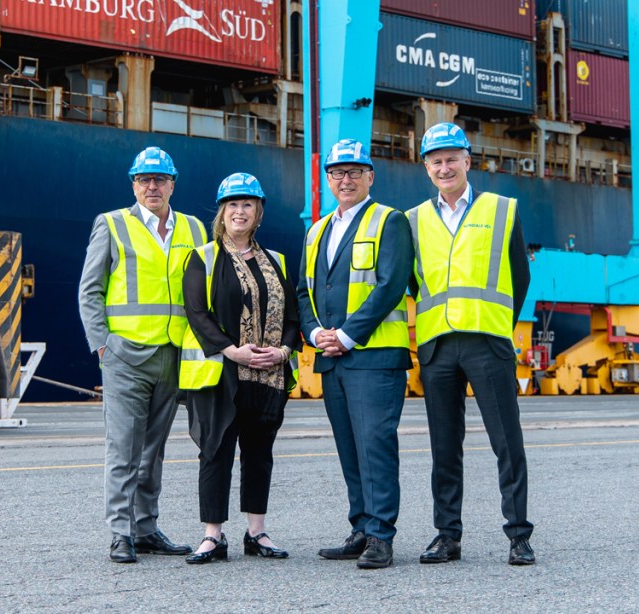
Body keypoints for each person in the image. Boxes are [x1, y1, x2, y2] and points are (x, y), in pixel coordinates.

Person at [406, 122, 534, 566]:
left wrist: (498, 324)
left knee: (506, 442)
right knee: (444, 446)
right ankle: (447, 536)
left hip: (487, 343)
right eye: (436, 161)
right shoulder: (413, 220)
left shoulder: (502, 209)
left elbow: (521, 277)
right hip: (438, 346)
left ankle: (518, 535)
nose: (445, 167)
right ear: (426, 168)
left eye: (451, 159)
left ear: (467, 160)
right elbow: (409, 283)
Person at [78, 146, 206, 564]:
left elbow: (203, 293)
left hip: (173, 355)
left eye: (160, 179)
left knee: (154, 451)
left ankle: (146, 527)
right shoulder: (112, 225)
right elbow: (90, 290)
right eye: (144, 180)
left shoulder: (194, 229)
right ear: (134, 184)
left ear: (173, 184)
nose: (153, 186)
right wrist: (104, 345)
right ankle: (120, 533)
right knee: (123, 451)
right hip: (126, 356)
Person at [296, 139, 413, 569]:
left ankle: (382, 534)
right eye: (337, 173)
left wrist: (346, 335)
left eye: (354, 172)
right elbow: (304, 291)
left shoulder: (390, 221)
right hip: (332, 357)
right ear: (328, 179)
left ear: (370, 177)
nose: (345, 180)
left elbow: (391, 285)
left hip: (374, 356)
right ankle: (362, 527)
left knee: (375, 445)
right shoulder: (317, 229)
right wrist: (313, 332)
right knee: (349, 448)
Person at [179, 172, 302, 565]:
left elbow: (294, 318)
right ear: (222, 211)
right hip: (223, 372)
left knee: (259, 451)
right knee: (215, 451)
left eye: (247, 204)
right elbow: (197, 313)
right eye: (232, 204)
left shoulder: (278, 260)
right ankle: (212, 536)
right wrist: (231, 351)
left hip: (267, 373)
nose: (240, 211)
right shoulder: (204, 256)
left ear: (259, 212)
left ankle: (257, 532)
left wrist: (282, 351)